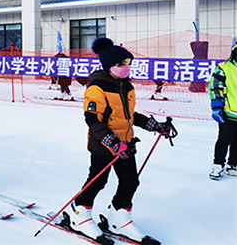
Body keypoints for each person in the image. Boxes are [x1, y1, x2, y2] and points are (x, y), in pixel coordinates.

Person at [67, 37, 172, 245]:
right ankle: (78, 213)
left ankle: (118, 217)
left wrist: (155, 125)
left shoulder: (126, 86)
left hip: (126, 144)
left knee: (131, 181)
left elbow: (130, 115)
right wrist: (113, 143)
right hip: (103, 145)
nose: (127, 67)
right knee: (98, 180)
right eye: (122, 64)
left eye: (128, 63)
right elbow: (92, 119)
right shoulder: (97, 87)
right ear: (110, 65)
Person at [208, 43, 237, 180]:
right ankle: (218, 165)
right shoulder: (224, 68)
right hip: (228, 112)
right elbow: (216, 88)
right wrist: (217, 106)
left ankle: (233, 164)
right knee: (224, 139)